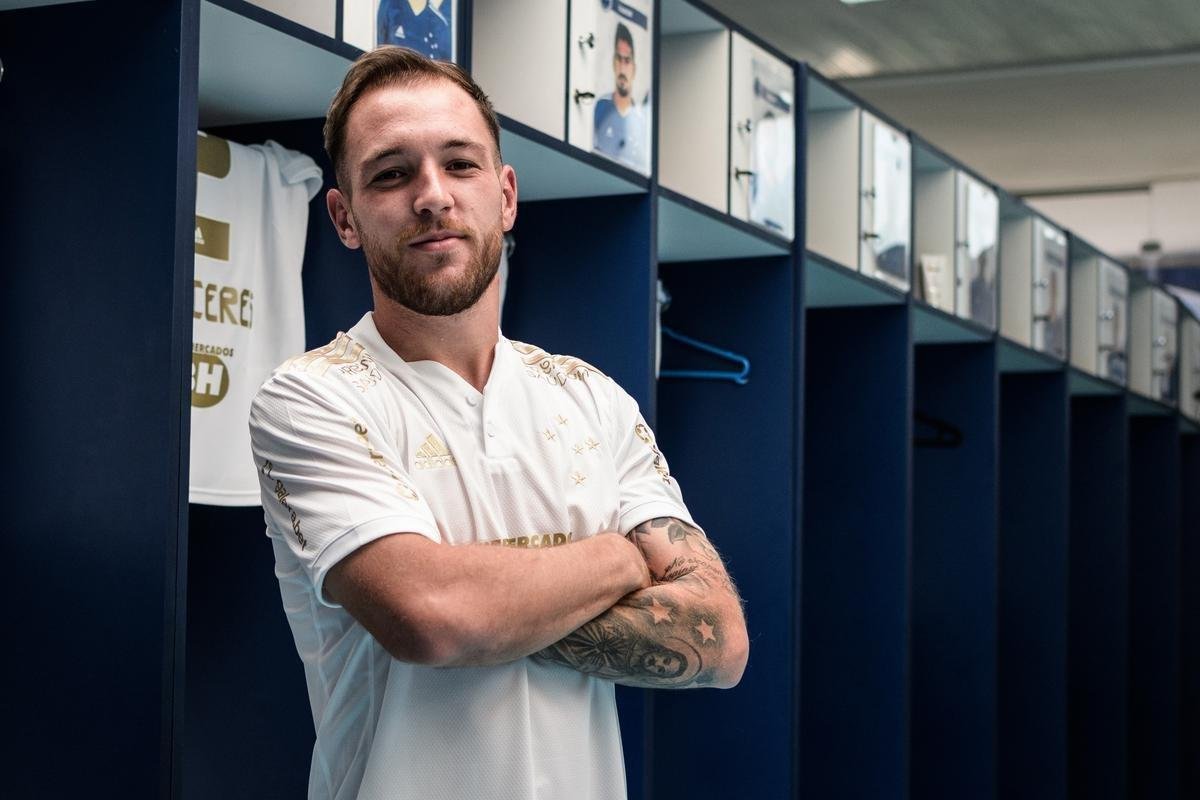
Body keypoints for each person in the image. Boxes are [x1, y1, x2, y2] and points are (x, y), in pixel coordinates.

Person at [249, 46, 748, 800]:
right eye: (391, 173)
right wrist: (616, 559)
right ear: (344, 217)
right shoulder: (311, 399)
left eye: (460, 164)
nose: (432, 196)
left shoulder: (592, 397)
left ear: (506, 195)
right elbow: (433, 618)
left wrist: (492, 604)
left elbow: (718, 640)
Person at [593, 22, 648, 172]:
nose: (623, 68)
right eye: (619, 59)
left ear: (634, 68)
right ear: (613, 63)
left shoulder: (642, 118)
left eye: (627, 60)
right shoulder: (601, 107)